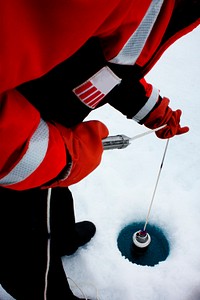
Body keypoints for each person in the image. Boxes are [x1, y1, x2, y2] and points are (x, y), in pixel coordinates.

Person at [0, 0, 199, 299]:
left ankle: (62, 237)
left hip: (51, 130)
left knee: (57, 197)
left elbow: (104, 66)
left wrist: (153, 110)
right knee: (26, 250)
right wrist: (58, 159)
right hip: (13, 163)